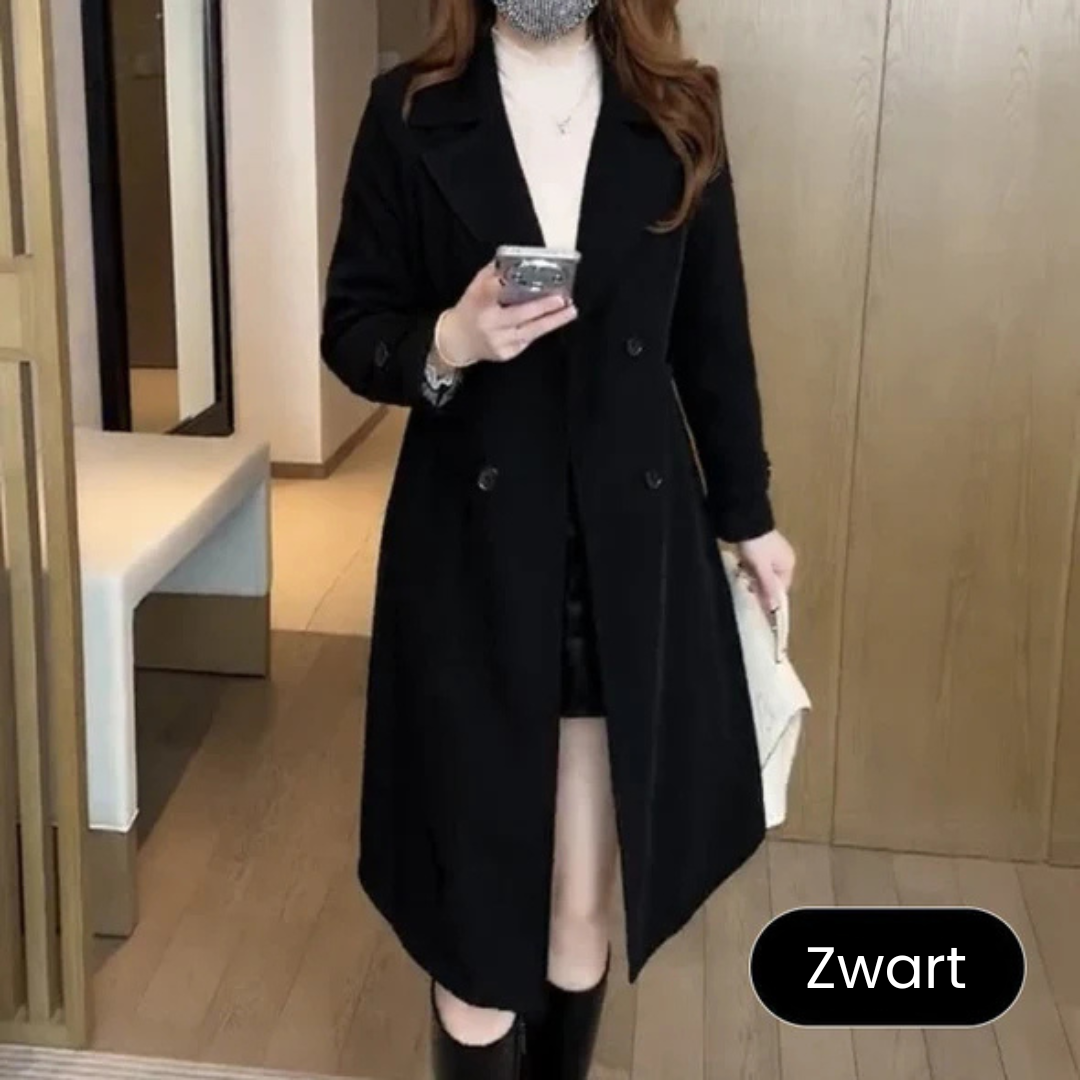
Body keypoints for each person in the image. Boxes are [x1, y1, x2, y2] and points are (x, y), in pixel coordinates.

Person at [321, 0, 796, 1076]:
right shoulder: (409, 112)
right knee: (475, 924)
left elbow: (713, 336)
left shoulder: (679, 112)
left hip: (622, 549)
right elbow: (353, 327)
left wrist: (751, 516)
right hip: (471, 553)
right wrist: (450, 339)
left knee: (579, 902)